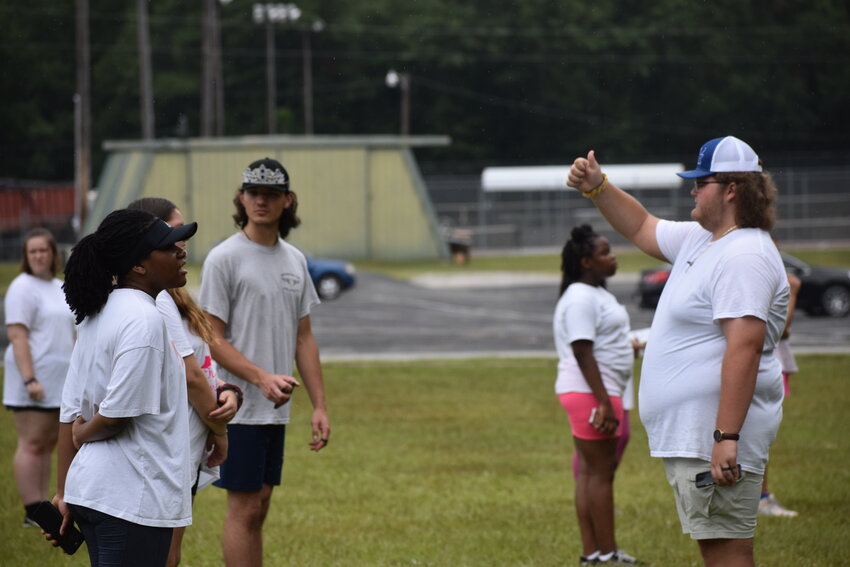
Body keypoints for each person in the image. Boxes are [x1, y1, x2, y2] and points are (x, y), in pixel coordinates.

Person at [567, 136, 789, 567]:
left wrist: (726, 438)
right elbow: (641, 227)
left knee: (726, 550)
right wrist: (598, 187)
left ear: (731, 188)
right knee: (716, 545)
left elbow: (744, 348)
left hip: (716, 436)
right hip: (699, 434)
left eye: (700, 182)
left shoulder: (744, 253)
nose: (692, 190)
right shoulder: (703, 239)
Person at [199, 157, 330, 567]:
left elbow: (303, 337)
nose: (262, 201)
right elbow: (210, 338)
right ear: (241, 198)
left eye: (271, 195)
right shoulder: (225, 258)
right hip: (237, 407)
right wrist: (260, 378)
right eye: (254, 193)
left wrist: (320, 406)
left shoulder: (295, 260)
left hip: (275, 409)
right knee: (244, 509)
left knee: (261, 504)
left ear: (287, 201)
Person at [52, 209, 199, 566]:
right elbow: (115, 416)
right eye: (168, 247)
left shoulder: (97, 313)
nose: (181, 251)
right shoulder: (144, 320)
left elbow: (69, 409)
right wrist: (84, 433)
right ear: (139, 265)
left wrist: (64, 492)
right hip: (132, 498)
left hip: (95, 492)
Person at [127, 197, 242, 566]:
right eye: (174, 233)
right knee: (161, 556)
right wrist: (220, 430)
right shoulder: (154, 299)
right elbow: (190, 377)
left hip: (188, 444)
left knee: (170, 554)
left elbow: (203, 365)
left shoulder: (175, 292)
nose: (183, 244)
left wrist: (226, 391)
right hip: (166, 447)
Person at [553, 225, 644, 566]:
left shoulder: (595, 294)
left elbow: (598, 344)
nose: (613, 256)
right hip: (593, 392)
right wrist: (605, 402)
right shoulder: (580, 297)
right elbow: (581, 350)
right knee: (600, 475)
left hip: (597, 388)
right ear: (587, 261)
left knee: (591, 474)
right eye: (605, 252)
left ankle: (593, 555)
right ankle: (607, 555)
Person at [3, 228, 75, 527]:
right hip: (33, 379)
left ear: (53, 253)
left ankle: (41, 506)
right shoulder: (22, 287)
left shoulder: (60, 286)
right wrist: (30, 378)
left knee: (47, 444)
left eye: (43, 250)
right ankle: (31, 508)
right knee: (32, 443)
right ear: (26, 256)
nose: (38, 256)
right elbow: (18, 335)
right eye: (32, 251)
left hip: (59, 380)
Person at [758, 271, 802, 518]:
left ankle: (760, 495)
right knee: (758, 433)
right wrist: (792, 292)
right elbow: (781, 330)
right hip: (762, 365)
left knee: (759, 434)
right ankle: (761, 498)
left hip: (766, 364)